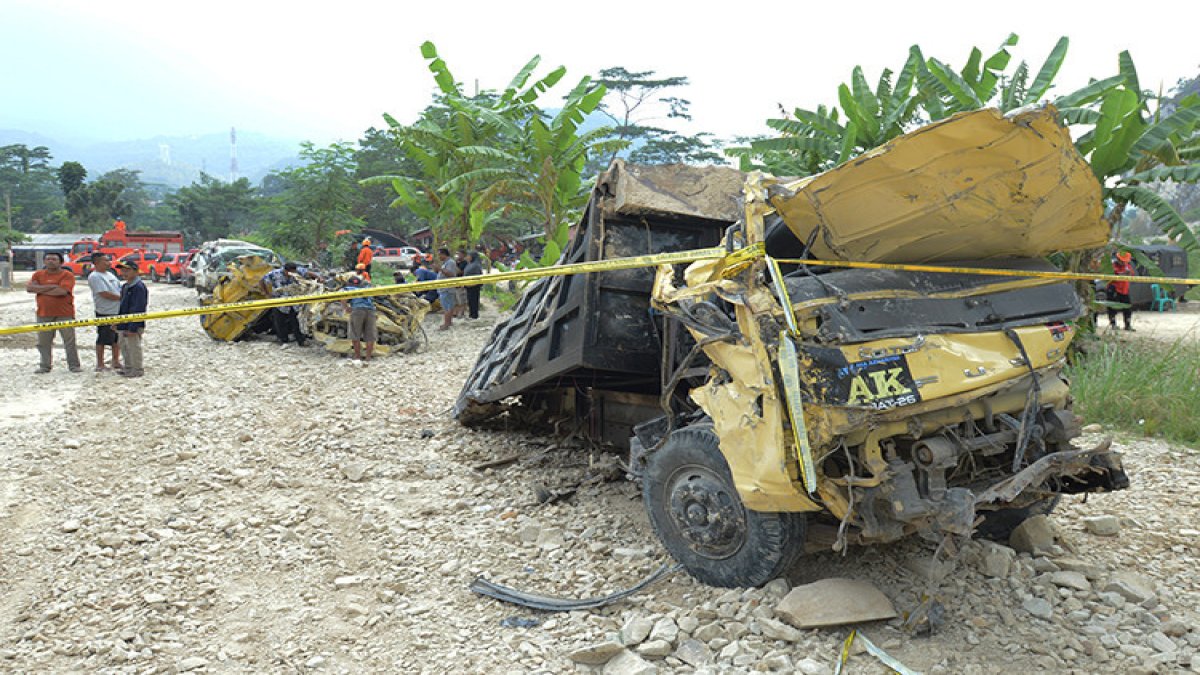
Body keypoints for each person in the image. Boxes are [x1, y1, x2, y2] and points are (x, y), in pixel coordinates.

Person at [27, 251, 81, 373]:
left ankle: (74, 365)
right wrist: (52, 287)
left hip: (64, 313)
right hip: (43, 313)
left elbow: (61, 292)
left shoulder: (67, 275)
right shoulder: (38, 274)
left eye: (54, 259)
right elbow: (29, 288)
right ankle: (45, 366)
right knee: (43, 342)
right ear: (44, 261)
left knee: (69, 341)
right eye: (48, 259)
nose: (50, 261)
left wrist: (40, 289)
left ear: (61, 262)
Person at [87, 252, 123, 371]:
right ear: (97, 262)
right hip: (105, 311)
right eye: (105, 261)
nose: (109, 263)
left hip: (117, 310)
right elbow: (103, 293)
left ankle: (116, 361)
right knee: (102, 337)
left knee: (116, 338)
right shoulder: (95, 276)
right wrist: (122, 298)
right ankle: (100, 364)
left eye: (109, 260)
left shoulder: (110, 274)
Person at [114, 260, 148, 377]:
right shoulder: (125, 286)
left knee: (134, 347)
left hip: (133, 323)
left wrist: (133, 327)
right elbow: (122, 306)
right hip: (123, 322)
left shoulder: (138, 287)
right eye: (122, 270)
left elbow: (139, 308)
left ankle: (137, 369)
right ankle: (128, 367)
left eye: (127, 270)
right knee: (124, 346)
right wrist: (118, 322)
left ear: (136, 271)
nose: (124, 272)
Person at [260, 262, 307, 346]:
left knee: (296, 321)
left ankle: (300, 340)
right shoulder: (274, 274)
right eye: (290, 273)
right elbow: (262, 280)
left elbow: (309, 273)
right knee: (279, 322)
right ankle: (283, 340)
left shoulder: (297, 272)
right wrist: (266, 293)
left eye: (294, 272)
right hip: (279, 301)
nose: (292, 274)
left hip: (294, 301)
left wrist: (319, 278)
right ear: (285, 270)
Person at [340, 275, 377, 362]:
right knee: (370, 335)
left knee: (355, 334)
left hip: (357, 310)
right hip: (370, 310)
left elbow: (342, 297)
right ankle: (368, 357)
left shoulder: (348, 288)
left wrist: (346, 307)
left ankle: (357, 357)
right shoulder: (365, 289)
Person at [1107, 251, 1136, 332]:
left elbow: (1132, 274)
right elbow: (1113, 274)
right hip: (1114, 288)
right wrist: (1123, 273)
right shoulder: (1112, 265)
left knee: (1128, 307)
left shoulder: (1127, 265)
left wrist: (1129, 273)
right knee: (1112, 307)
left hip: (1124, 289)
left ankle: (1127, 324)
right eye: (1122, 261)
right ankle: (1113, 324)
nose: (1123, 263)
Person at [436, 248, 458, 331]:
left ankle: (446, 324)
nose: (439, 257)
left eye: (440, 255)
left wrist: (440, 269)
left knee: (447, 307)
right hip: (444, 288)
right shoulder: (446, 263)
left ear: (444, 254)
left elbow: (451, 274)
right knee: (449, 306)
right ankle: (449, 322)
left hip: (447, 289)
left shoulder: (450, 262)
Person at [463, 251, 483, 320]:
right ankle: (471, 315)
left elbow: (477, 277)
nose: (467, 257)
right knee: (470, 301)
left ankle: (474, 316)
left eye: (469, 256)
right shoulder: (470, 264)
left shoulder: (476, 265)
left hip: (474, 286)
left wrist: (471, 284)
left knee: (474, 301)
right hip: (468, 286)